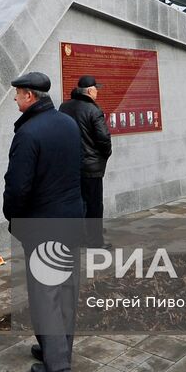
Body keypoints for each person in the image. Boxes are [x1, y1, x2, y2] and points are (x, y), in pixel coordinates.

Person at [4, 71, 84, 372]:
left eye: (17, 93)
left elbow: (18, 188)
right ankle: (57, 349)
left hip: (42, 225)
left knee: (45, 296)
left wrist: (13, 216)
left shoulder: (29, 133)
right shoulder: (67, 123)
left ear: (29, 96)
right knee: (65, 292)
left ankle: (58, 369)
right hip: (71, 219)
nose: (14, 98)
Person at [59, 75, 112, 248]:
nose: (97, 92)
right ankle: (95, 241)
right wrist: (105, 155)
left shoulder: (64, 107)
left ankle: (78, 238)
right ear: (89, 91)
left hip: (70, 166)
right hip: (91, 167)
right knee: (94, 205)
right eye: (96, 89)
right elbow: (103, 139)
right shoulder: (93, 110)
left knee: (77, 203)